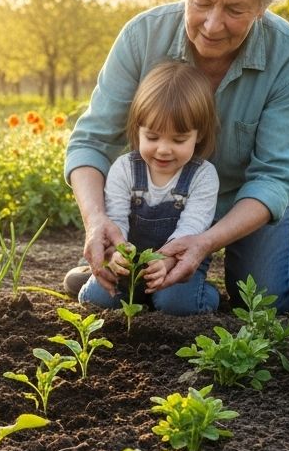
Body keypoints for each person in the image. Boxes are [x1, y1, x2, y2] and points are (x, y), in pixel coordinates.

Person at [64, 0, 289, 314]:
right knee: (134, 288)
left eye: (234, 9)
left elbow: (274, 177)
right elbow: (90, 141)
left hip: (244, 199)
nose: (212, 25)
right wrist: (97, 222)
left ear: (262, 8)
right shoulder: (142, 37)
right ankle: (117, 277)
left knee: (266, 299)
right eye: (201, 2)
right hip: (159, 199)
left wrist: (205, 240)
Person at [75, 60, 220, 309]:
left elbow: (192, 228)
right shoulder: (125, 169)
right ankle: (91, 280)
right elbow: (116, 222)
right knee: (96, 299)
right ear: (138, 130)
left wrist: (166, 261)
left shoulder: (203, 175)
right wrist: (117, 256)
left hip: (179, 261)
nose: (163, 150)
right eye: (152, 137)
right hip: (130, 260)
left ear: (199, 135)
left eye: (179, 139)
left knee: (175, 304)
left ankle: (205, 294)